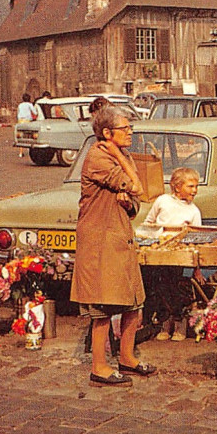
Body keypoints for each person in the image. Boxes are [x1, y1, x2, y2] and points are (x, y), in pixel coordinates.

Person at [70, 105, 157, 386]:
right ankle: (99, 366)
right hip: (100, 242)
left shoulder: (120, 155)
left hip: (120, 237)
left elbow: (136, 199)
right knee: (103, 308)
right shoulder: (98, 157)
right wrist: (122, 161)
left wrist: (128, 199)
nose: (130, 132)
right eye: (125, 128)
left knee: (134, 302)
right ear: (107, 133)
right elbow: (138, 186)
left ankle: (127, 357)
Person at [137, 168, 203, 342]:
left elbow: (196, 240)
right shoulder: (163, 201)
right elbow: (148, 223)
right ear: (177, 186)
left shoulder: (194, 211)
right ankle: (164, 322)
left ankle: (179, 324)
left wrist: (197, 269)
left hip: (178, 257)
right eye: (190, 186)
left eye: (196, 186)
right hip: (157, 254)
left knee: (177, 288)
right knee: (159, 288)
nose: (194, 190)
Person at [16, 93, 39, 158]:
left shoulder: (20, 105)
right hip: (27, 121)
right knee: (29, 135)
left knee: (21, 136)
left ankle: (20, 152)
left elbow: (18, 113)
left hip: (20, 120)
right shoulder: (30, 104)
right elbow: (35, 112)